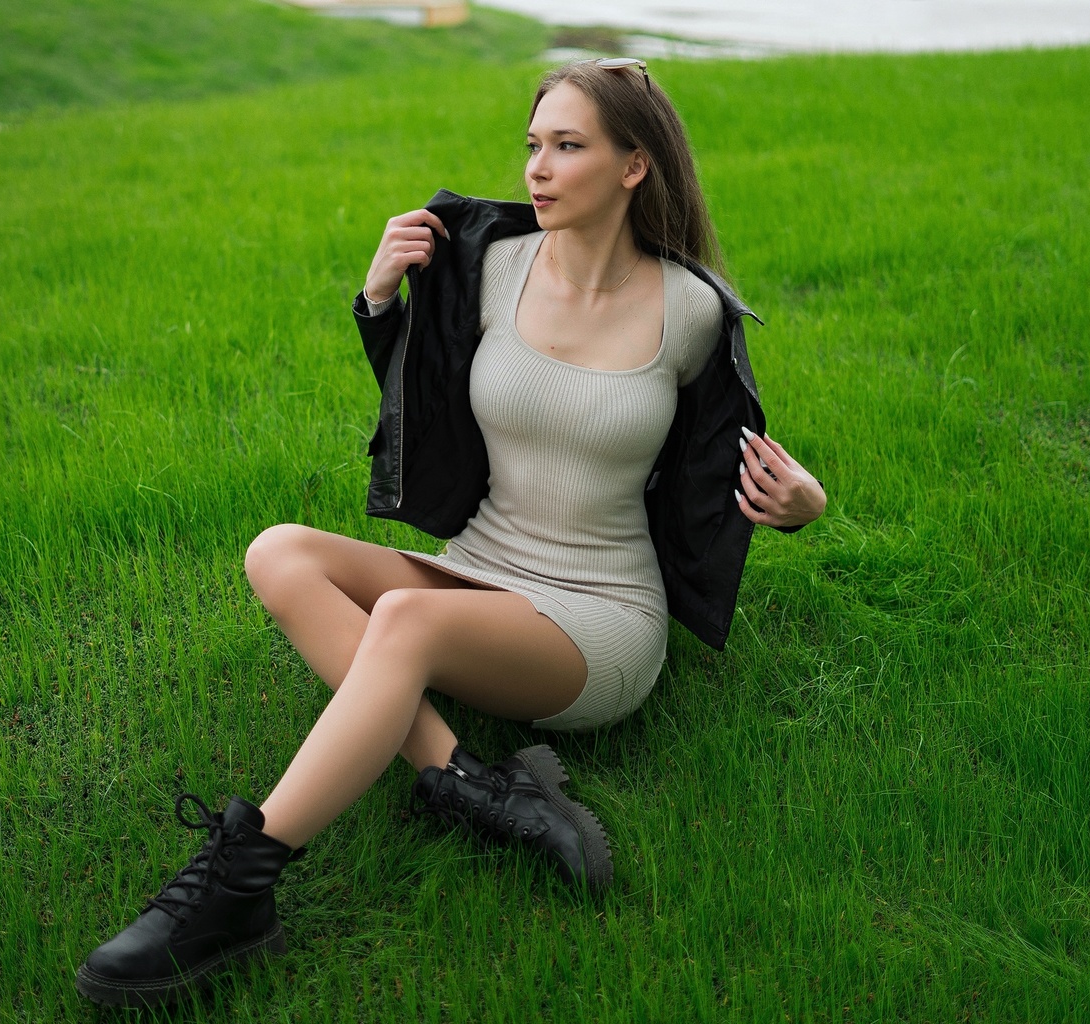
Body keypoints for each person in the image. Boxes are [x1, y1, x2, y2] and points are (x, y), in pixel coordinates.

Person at [75, 57, 827, 1007]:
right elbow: (429, 398)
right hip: (479, 562)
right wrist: (381, 299)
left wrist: (806, 509)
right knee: (280, 551)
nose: (537, 170)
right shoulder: (492, 262)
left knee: (403, 625)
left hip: (597, 617)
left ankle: (239, 884)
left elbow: (741, 462)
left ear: (635, 165)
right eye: (532, 146)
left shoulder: (691, 311)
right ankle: (470, 782)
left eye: (567, 146)